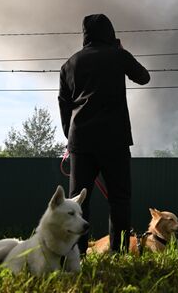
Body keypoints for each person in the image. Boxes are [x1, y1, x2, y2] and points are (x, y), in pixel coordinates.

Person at [58, 14, 150, 254]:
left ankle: (75, 255)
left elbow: (64, 106)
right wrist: (120, 50)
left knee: (78, 201)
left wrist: (72, 138)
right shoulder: (118, 56)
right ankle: (117, 254)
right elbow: (143, 77)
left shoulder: (69, 64)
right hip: (114, 140)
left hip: (81, 142)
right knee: (119, 199)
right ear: (110, 32)